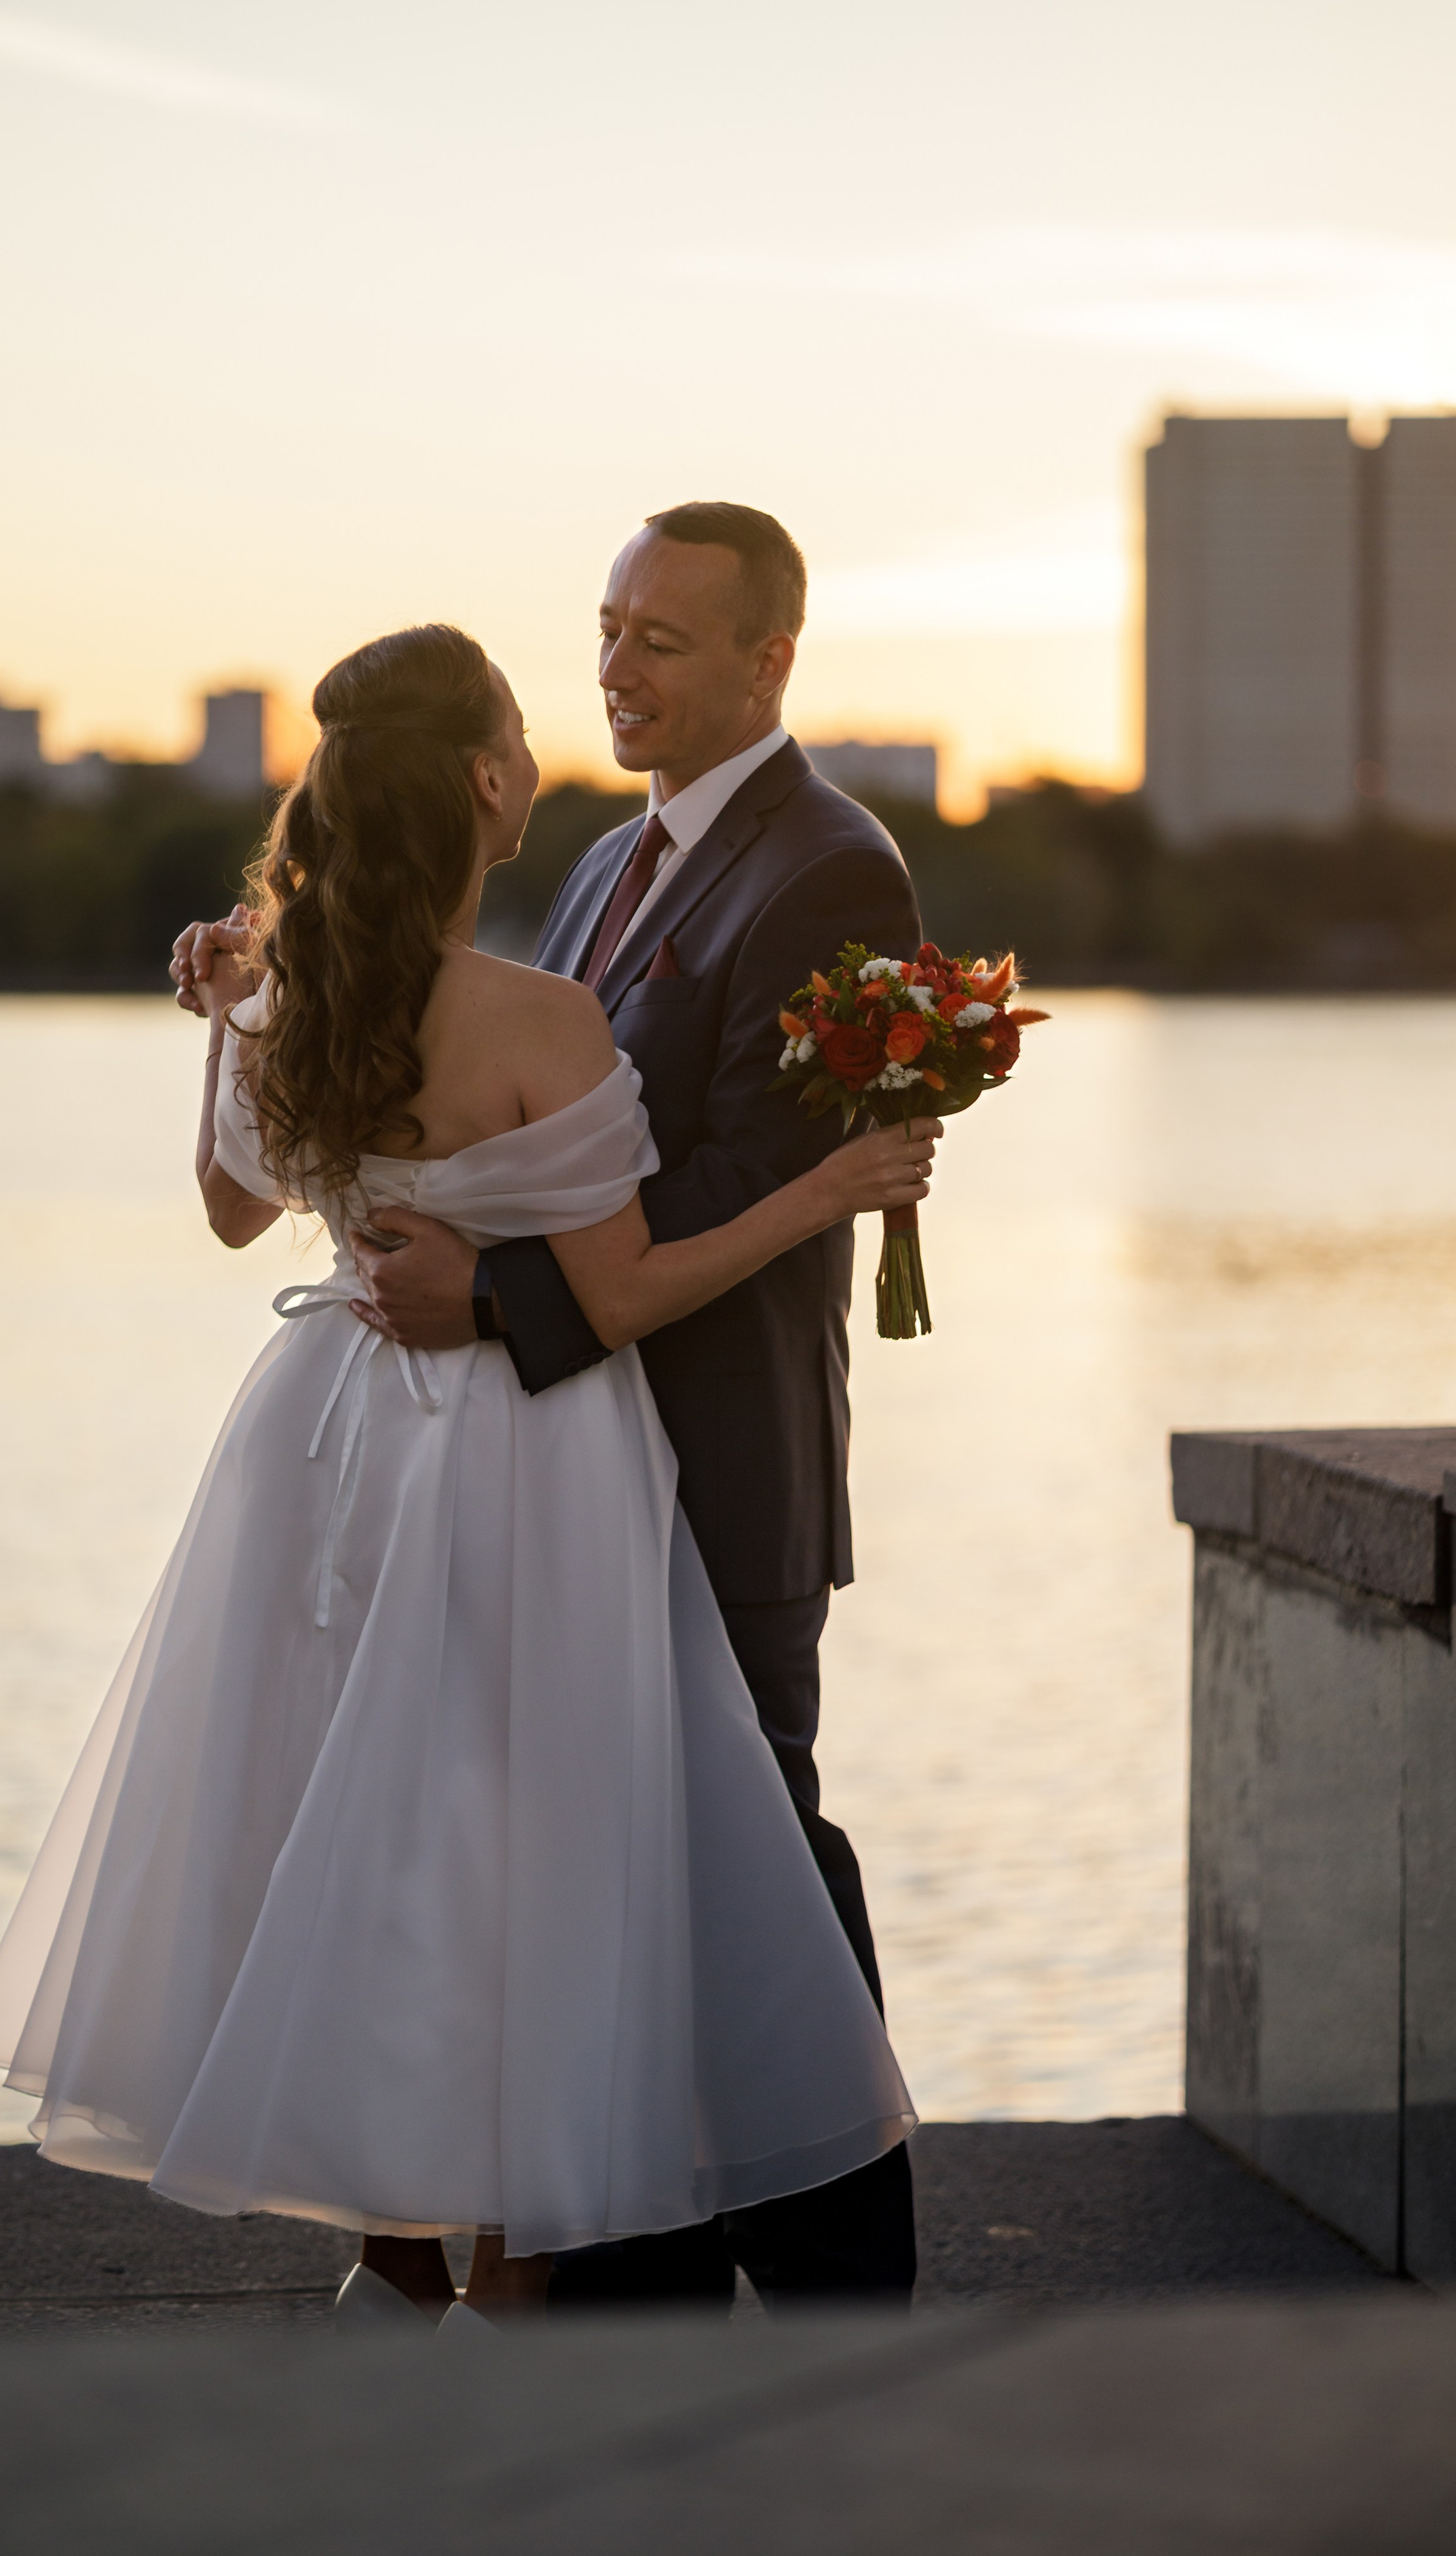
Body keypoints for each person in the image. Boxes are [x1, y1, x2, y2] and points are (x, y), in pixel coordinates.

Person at [0, 618, 933, 2328]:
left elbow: (226, 1207)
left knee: (356, 1821)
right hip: (514, 1459)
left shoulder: (282, 997)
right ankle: (514, 2278)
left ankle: (390, 2240)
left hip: (320, 1439)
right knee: (522, 1849)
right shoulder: (539, 1021)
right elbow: (622, 1287)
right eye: (519, 718)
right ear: (486, 781)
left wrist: (226, 1004)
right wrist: (824, 1187)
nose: (550, 728)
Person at [295, 503, 929, 2307]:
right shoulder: (596, 863)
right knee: (621, 1882)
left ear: (766, 662)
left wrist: (488, 1300)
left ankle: (849, 2310)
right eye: (607, 628)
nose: (615, 666)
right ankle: (625, 2294)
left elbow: (740, 1164)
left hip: (718, 1461)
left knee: (765, 1874)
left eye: (661, 637)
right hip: (568, 1472)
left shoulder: (830, 868)